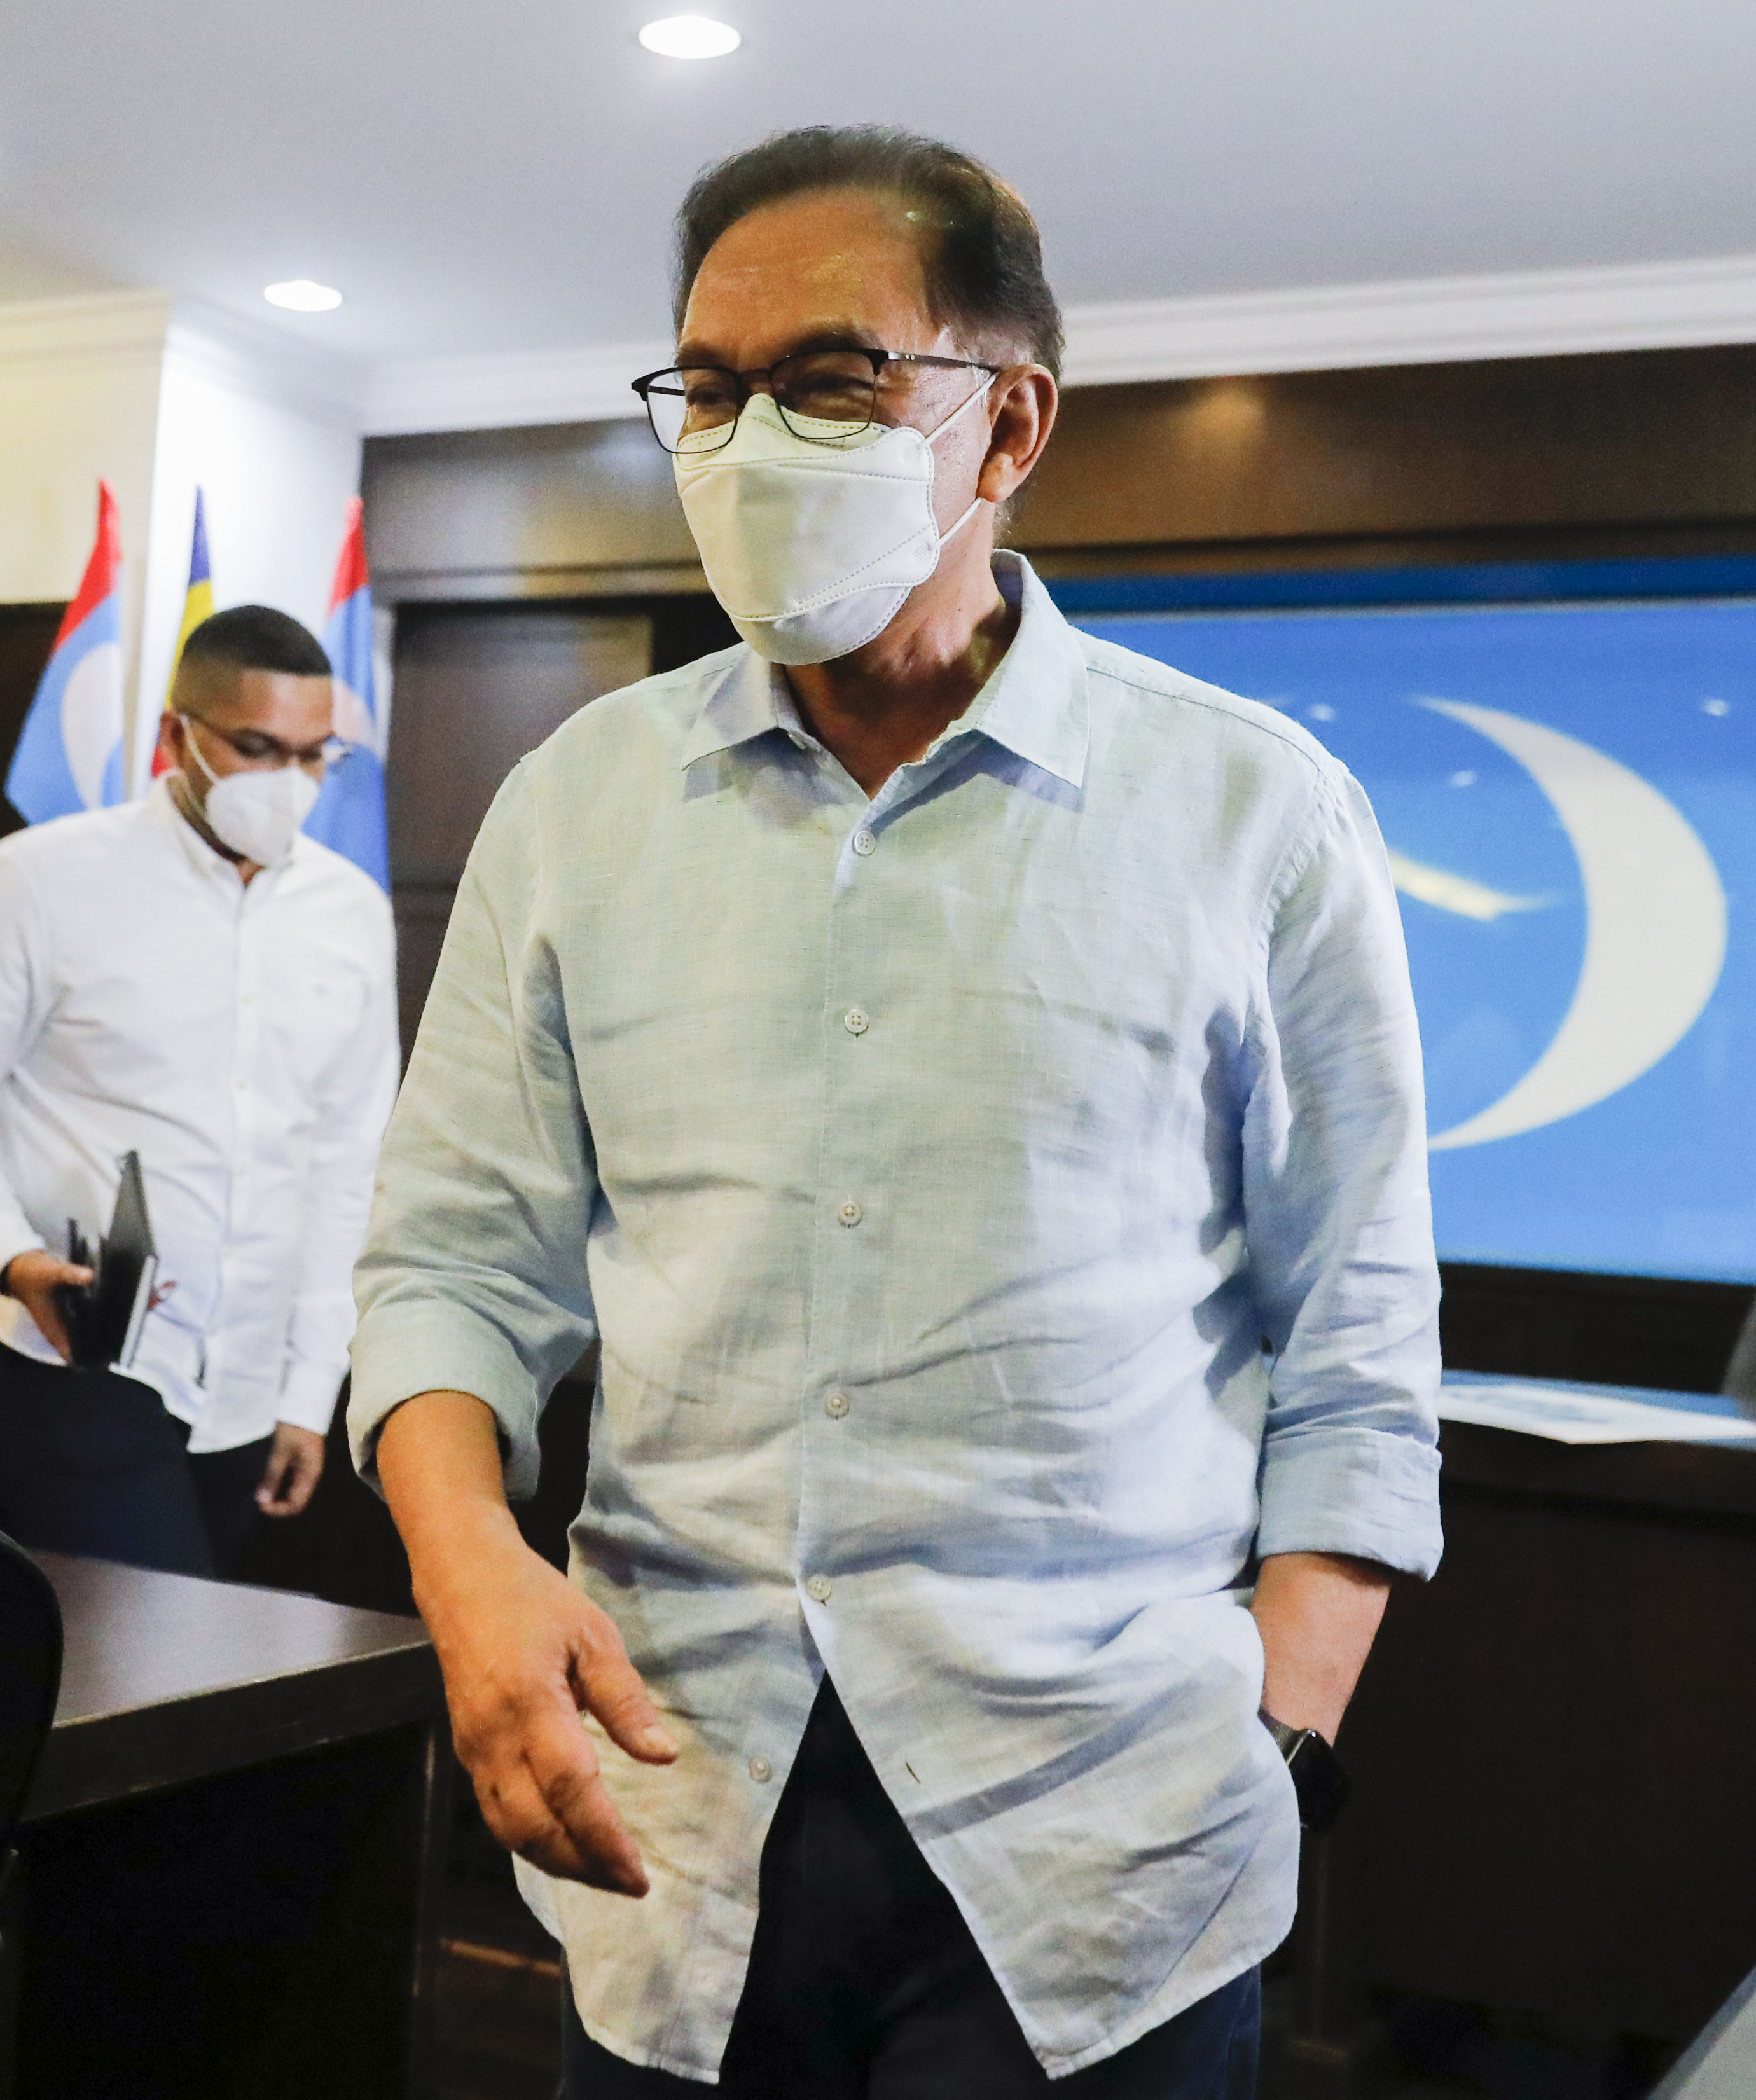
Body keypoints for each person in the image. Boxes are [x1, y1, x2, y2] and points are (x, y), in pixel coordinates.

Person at [350, 127, 1441, 2097]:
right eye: (709, 386)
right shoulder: (579, 801)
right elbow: (451, 1259)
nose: (749, 438)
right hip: (673, 1800)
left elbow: (1356, 1321)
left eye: (833, 378)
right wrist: (467, 1561)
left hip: (1102, 1837)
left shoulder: (1251, 809)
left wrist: (1278, 1730)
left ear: (1008, 420)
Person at [0, 607, 399, 1579]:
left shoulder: (351, 912)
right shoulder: (41, 878)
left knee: (170, 1644)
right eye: (256, 748)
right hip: (69, 1347)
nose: (287, 779)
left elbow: (346, 1163)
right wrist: (10, 1253)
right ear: (175, 736)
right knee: (153, 1635)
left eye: (312, 755)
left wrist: (308, 1390)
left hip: (245, 1380)